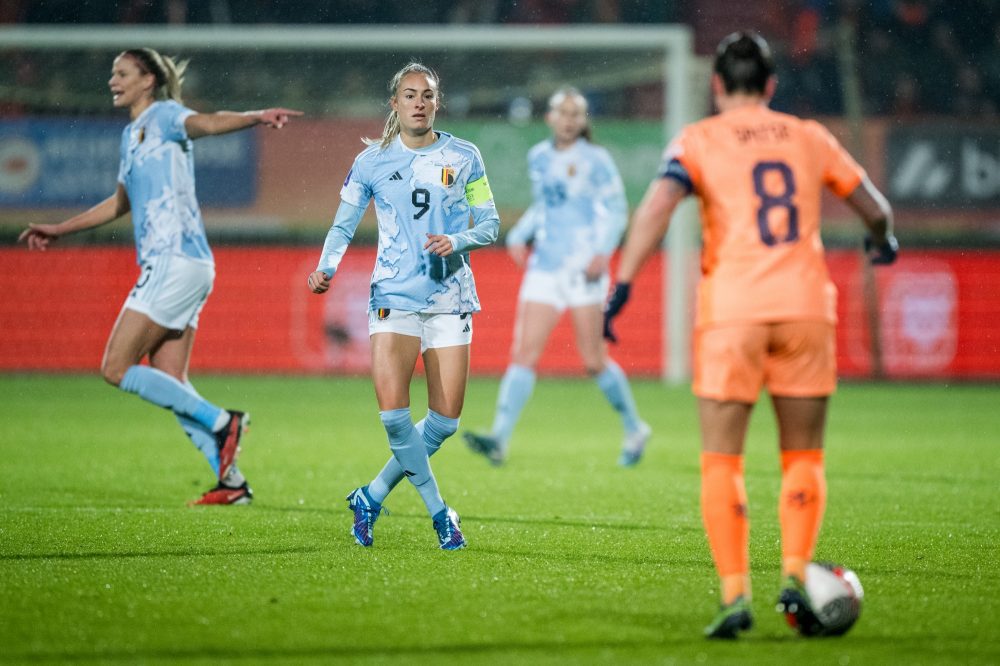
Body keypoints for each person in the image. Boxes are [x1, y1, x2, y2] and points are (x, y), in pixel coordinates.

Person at [603, 32, 897, 639]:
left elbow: (657, 208)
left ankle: (736, 594)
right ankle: (798, 579)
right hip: (804, 310)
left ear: (715, 86)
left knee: (722, 460)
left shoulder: (699, 140)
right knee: (803, 455)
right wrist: (882, 240)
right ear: (770, 85)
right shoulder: (809, 135)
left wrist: (623, 283)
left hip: (733, 311)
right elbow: (874, 206)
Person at [19, 48, 301, 506]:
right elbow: (118, 204)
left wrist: (255, 116)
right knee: (170, 377)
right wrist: (60, 228)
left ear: (148, 80)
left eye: (123, 73)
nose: (113, 80)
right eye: (113, 73)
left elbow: (207, 124)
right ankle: (231, 483)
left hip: (174, 260)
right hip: (186, 264)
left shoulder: (167, 115)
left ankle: (221, 421)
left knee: (115, 367)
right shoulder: (132, 135)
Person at [307, 63, 500, 550]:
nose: (418, 102)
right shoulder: (371, 162)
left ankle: (370, 496)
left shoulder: (464, 156)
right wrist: (327, 266)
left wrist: (456, 240)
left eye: (427, 95)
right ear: (394, 104)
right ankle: (441, 512)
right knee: (395, 417)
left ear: (438, 103)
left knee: (445, 422)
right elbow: (343, 224)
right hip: (394, 297)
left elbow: (491, 224)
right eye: (409, 95)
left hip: (450, 297)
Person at [463, 86, 650, 467]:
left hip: (584, 268)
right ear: (550, 118)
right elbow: (546, 205)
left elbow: (615, 210)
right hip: (546, 267)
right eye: (562, 113)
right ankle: (499, 437)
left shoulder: (596, 160)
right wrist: (519, 233)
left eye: (575, 114)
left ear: (583, 121)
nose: (568, 120)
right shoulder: (539, 156)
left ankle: (634, 427)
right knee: (524, 353)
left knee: (594, 361)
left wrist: (603, 250)